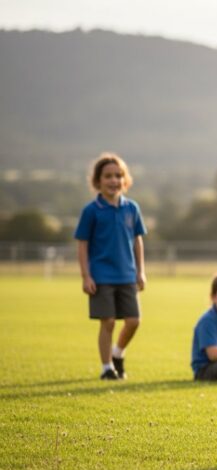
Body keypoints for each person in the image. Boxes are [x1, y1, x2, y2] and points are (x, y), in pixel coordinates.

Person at [74, 152, 147, 381]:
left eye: (118, 175)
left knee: (134, 321)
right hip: (102, 275)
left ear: (124, 179)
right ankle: (107, 368)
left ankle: (117, 354)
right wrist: (86, 276)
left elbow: (137, 240)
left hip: (127, 274)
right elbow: (83, 244)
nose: (113, 180)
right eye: (108, 176)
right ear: (98, 180)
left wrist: (140, 271)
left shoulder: (131, 208)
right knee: (108, 322)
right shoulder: (91, 211)